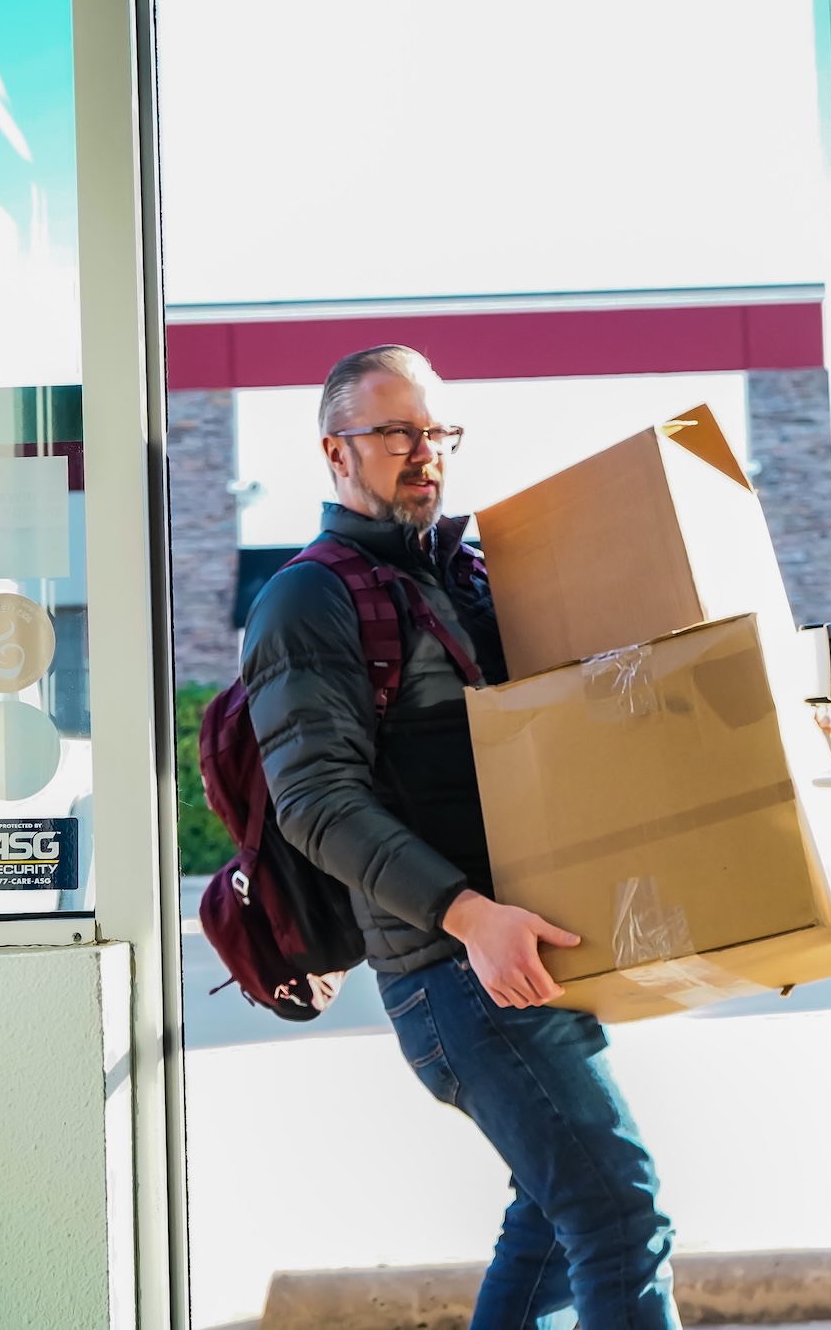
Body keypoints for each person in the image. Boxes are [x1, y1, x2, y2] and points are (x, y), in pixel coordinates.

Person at [240, 345, 679, 1329]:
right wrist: (469, 915)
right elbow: (313, 800)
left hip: (514, 949)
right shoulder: (307, 599)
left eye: (435, 431)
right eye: (393, 430)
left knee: (553, 1219)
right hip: (453, 967)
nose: (422, 451)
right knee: (618, 1217)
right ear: (333, 452)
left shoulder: (462, 577)